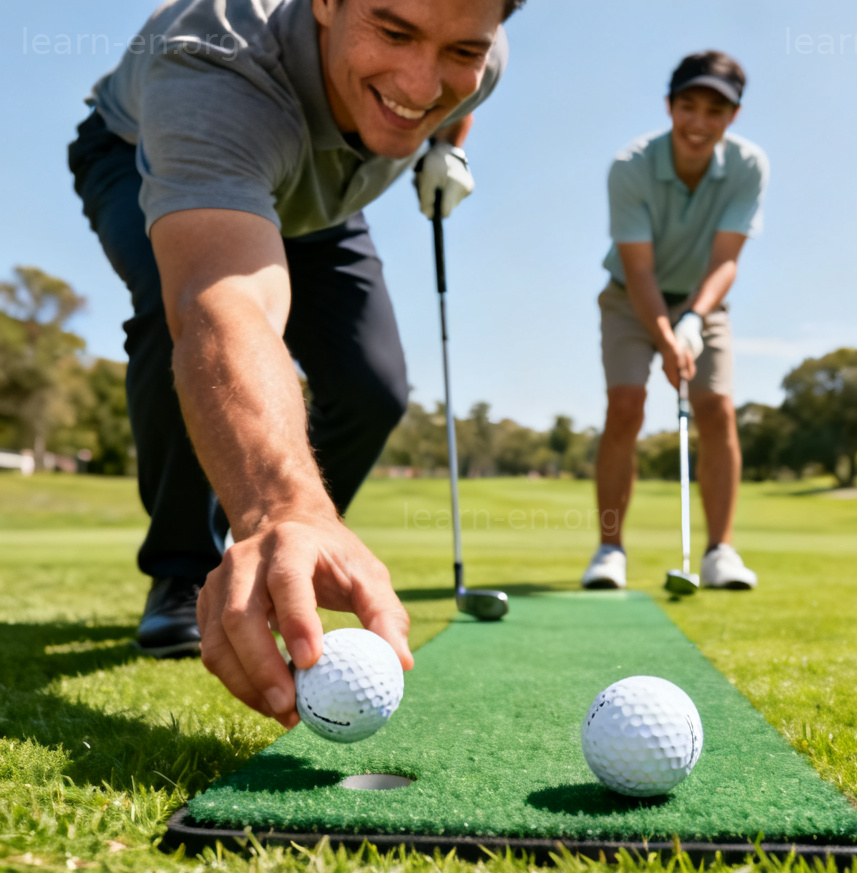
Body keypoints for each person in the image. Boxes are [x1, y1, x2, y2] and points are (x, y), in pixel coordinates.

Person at [68, 0, 523, 728]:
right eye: (395, 31)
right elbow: (224, 304)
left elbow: (440, 90)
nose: (420, 77)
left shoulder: (481, 56)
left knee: (373, 390)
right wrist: (278, 506)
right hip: (148, 150)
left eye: (458, 50)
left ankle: (297, 551)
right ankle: (186, 571)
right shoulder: (211, 58)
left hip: (322, 198)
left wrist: (447, 144)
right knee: (175, 305)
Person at [581, 50, 768, 592]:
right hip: (628, 299)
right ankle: (609, 549)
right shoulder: (631, 166)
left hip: (704, 299)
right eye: (688, 106)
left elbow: (727, 261)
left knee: (717, 410)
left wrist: (692, 320)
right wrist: (667, 336)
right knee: (626, 406)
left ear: (732, 117)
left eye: (715, 110)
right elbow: (638, 273)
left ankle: (720, 553)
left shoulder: (748, 165)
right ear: (669, 107)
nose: (699, 122)